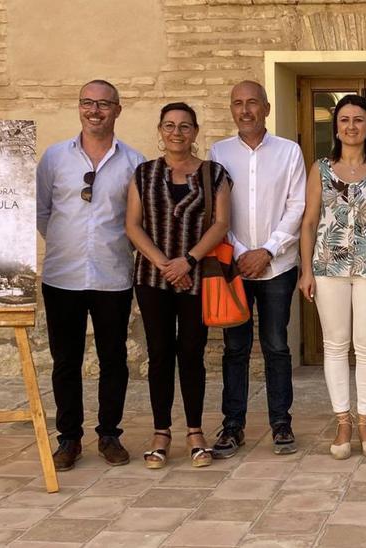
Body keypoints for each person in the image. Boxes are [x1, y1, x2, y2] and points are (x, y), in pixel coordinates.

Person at [36, 80, 145, 471]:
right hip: (62, 275)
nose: (94, 110)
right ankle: (68, 439)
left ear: (117, 109)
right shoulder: (54, 158)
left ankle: (109, 434)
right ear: (79, 107)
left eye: (103, 104)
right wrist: (71, 243)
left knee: (113, 358)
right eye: (87, 103)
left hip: (112, 274)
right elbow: (43, 212)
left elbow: (139, 219)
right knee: (65, 360)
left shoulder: (135, 162)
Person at [126, 102, 232, 469]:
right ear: (160, 130)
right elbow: (133, 225)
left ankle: (195, 431)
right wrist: (164, 264)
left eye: (185, 126)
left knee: (191, 354)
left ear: (196, 132)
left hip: (197, 278)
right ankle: (160, 433)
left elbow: (220, 223)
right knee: (159, 355)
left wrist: (187, 261)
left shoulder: (213, 173)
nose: (177, 133)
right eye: (169, 126)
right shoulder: (144, 174)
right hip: (152, 279)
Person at [297, 95, 366, 460]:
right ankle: (342, 421)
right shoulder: (321, 169)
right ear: (336, 126)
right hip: (328, 266)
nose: (351, 126)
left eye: (359, 120)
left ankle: (365, 421)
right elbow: (309, 222)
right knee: (335, 345)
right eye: (344, 120)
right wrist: (306, 271)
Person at [209, 81, 307, 457]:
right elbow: (216, 211)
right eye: (238, 103)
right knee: (234, 348)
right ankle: (233, 426)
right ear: (231, 109)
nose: (245, 110)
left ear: (266, 108)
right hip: (233, 266)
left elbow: (296, 206)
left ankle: (281, 423)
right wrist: (239, 251)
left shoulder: (288, 152)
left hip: (277, 266)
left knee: (277, 346)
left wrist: (266, 250)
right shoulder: (218, 152)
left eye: (252, 103)